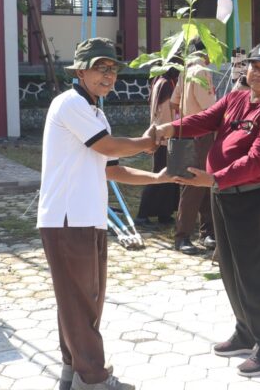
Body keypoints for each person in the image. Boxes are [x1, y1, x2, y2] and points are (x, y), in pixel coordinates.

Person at [153, 42, 260, 378]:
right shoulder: (238, 98)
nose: (259, 73)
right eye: (255, 66)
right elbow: (206, 119)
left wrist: (214, 179)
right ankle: (246, 333)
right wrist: (171, 127)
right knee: (232, 269)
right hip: (226, 196)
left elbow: (259, 162)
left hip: (257, 200)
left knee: (259, 275)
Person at [38, 38, 169, 390]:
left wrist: (158, 178)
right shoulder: (70, 104)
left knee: (81, 301)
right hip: (68, 219)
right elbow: (108, 146)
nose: (108, 75)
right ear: (80, 71)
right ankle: (93, 379)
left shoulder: (95, 112)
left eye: (112, 69)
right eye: (100, 68)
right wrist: (146, 142)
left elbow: (111, 168)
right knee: (82, 303)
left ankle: (74, 372)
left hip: (88, 219)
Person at [170, 47, 217, 254]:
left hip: (186, 131)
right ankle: (184, 236)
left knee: (202, 182)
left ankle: (206, 232)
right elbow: (210, 109)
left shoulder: (185, 70)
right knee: (194, 183)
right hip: (201, 133)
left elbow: (174, 102)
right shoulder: (201, 71)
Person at [134, 63, 180, 227]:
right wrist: (170, 134)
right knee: (159, 176)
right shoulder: (166, 84)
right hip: (164, 138)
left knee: (169, 178)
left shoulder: (160, 81)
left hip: (163, 136)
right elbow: (166, 114)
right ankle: (142, 215)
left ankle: (164, 214)